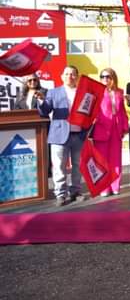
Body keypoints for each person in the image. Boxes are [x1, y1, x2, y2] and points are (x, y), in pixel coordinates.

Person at [37, 66, 87, 206]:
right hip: (59, 135)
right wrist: (41, 100)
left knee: (77, 165)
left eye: (72, 74)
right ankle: (60, 194)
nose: (69, 76)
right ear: (61, 76)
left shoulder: (83, 93)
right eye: (66, 74)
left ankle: (75, 191)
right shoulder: (53, 92)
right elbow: (45, 111)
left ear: (77, 76)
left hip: (79, 134)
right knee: (59, 166)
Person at [92, 68, 129, 196]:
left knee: (115, 159)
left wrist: (125, 127)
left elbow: (122, 111)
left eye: (108, 77)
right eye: (102, 77)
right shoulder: (97, 92)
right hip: (102, 128)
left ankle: (115, 186)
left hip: (116, 128)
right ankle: (104, 187)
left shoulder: (119, 92)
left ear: (113, 78)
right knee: (102, 160)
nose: (105, 79)